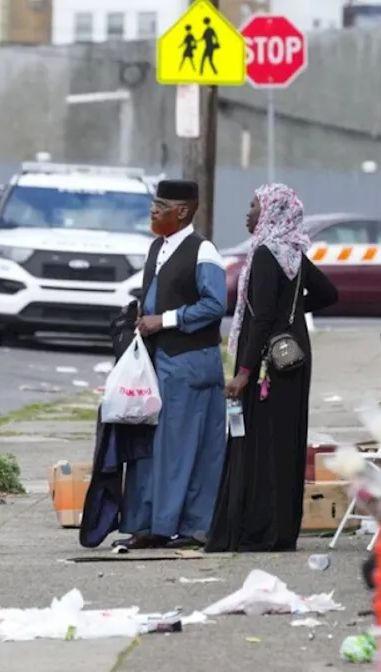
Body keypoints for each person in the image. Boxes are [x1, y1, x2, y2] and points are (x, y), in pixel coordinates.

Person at [206, 184, 338, 553]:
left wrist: (243, 372)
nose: (247, 213)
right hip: (293, 358)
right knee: (284, 443)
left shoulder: (266, 254)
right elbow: (329, 294)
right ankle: (281, 530)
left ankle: (256, 529)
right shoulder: (293, 254)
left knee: (259, 442)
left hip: (265, 366)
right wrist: (292, 318)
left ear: (272, 213)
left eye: (254, 206)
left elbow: (261, 318)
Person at [118, 179, 228, 550]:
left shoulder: (203, 250)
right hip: (157, 362)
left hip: (188, 364)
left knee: (181, 450)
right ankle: (148, 523)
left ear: (181, 211)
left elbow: (215, 305)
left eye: (159, 204)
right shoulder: (157, 247)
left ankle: (179, 527)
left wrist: (163, 320)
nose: (152, 210)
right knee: (151, 446)